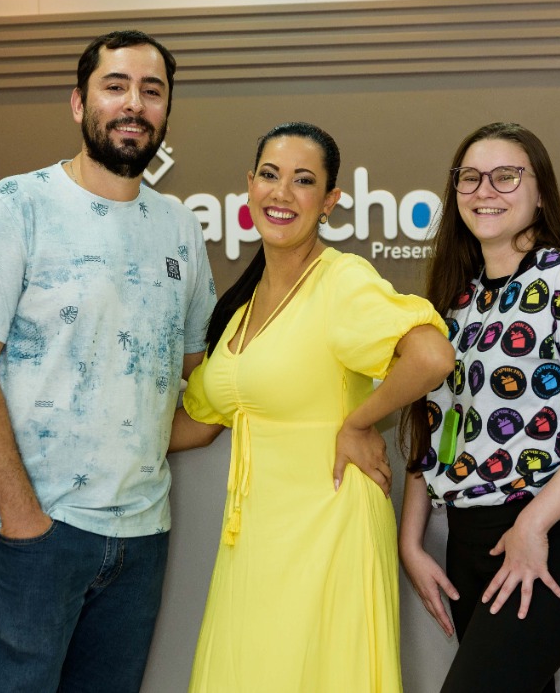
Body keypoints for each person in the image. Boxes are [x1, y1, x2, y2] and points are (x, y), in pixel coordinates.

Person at [0, 29, 216, 693]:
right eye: (115, 86)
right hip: (33, 534)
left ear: (166, 111)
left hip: (141, 537)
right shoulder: (19, 204)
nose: (134, 103)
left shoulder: (180, 226)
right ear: (78, 102)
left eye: (151, 91)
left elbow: (192, 380)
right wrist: (21, 516)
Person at [170, 122, 455, 692]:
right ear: (249, 185)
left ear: (329, 201)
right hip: (252, 543)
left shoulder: (340, 280)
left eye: (303, 180)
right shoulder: (241, 306)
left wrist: (357, 422)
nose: (282, 193)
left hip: (330, 528)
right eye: (270, 175)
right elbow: (199, 422)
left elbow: (431, 356)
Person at [400, 122, 560, 693]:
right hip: (466, 542)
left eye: (506, 176)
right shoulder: (456, 298)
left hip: (548, 536)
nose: (485, 191)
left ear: (541, 192)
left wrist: (532, 523)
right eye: (470, 178)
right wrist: (410, 541)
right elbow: (435, 428)